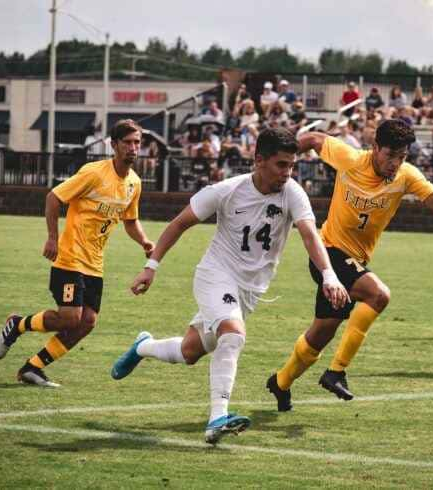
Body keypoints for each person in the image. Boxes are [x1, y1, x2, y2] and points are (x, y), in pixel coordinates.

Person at [111, 128, 349, 444]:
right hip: (216, 275)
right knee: (233, 334)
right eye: (281, 165)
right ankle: (217, 419)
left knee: (191, 351)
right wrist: (150, 267)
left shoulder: (292, 192)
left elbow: (309, 234)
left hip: (250, 290)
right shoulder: (226, 191)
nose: (287, 173)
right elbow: (179, 224)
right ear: (259, 160)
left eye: (291, 165)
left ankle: (143, 345)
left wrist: (329, 275)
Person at [266, 119, 433, 411]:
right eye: (390, 155)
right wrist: (284, 160)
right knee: (378, 294)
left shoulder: (406, 175)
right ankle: (336, 372)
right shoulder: (352, 159)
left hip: (354, 261)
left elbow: (432, 198)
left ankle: (280, 383)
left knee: (320, 335)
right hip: (328, 253)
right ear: (375, 148)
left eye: (402, 157)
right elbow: (316, 139)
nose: (395, 163)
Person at [0, 120, 154, 387]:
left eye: (137, 142)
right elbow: (54, 198)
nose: (133, 148)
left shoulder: (134, 183)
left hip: (95, 264)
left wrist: (145, 242)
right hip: (70, 257)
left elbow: (130, 220)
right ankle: (17, 324)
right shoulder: (94, 173)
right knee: (70, 318)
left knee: (87, 322)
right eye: (127, 142)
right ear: (113, 145)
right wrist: (53, 238)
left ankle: (32, 368)